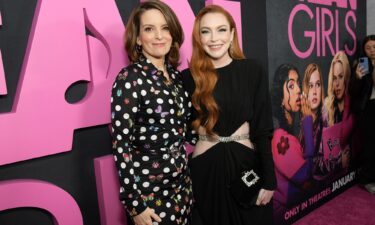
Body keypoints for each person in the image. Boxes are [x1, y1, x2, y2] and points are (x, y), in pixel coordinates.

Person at [182, 5, 276, 225]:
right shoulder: (188, 78)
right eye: (206, 31)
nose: (214, 38)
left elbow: (263, 129)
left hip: (246, 165)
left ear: (232, 33)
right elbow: (180, 128)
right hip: (206, 168)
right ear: (198, 37)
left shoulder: (252, 70)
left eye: (221, 30)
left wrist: (270, 179)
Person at [110, 1, 195, 224]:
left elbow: (182, 132)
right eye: (149, 29)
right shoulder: (129, 79)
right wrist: (134, 205)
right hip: (150, 198)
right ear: (138, 38)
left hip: (182, 190)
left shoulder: (176, 77)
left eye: (165, 27)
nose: (159, 35)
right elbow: (121, 144)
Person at [270, 64, 314, 220]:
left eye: (298, 83)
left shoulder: (287, 132)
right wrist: (308, 123)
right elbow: (306, 176)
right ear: (280, 97)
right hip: (282, 215)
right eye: (291, 85)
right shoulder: (280, 137)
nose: (298, 90)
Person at [351, 34, 375, 194]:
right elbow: (353, 92)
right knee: (371, 145)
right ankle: (366, 178)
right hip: (368, 109)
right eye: (369, 48)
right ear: (364, 50)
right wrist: (357, 78)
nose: (372, 50)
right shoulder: (363, 65)